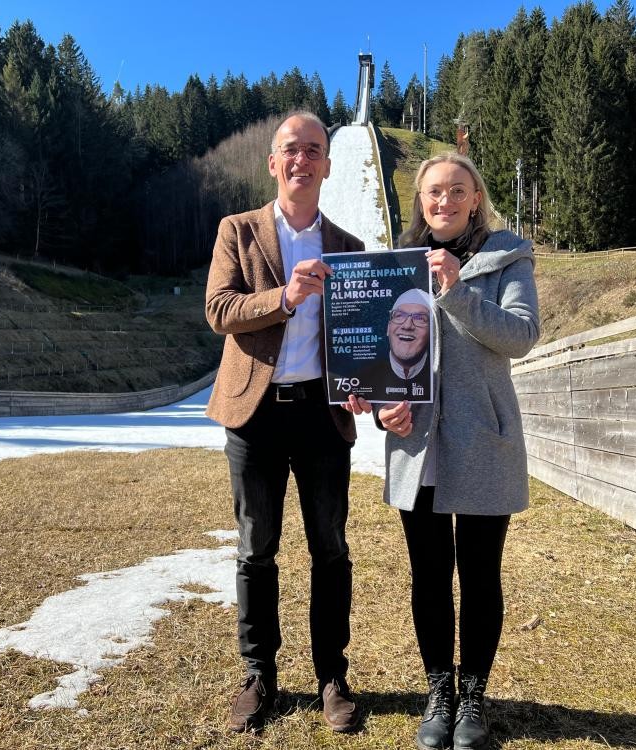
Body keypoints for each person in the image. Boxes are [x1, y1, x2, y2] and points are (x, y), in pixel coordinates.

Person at [345, 152, 540, 749]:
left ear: (475, 197)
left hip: (484, 440)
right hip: (417, 446)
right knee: (429, 576)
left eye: (457, 191)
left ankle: (473, 697)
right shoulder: (396, 267)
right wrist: (380, 407)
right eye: (433, 192)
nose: (444, 202)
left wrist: (457, 290)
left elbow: (520, 336)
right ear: (420, 201)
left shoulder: (508, 256)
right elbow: (381, 360)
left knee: (480, 576)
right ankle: (439, 691)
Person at [205, 111, 365, 734]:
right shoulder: (237, 231)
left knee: (331, 550)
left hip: (323, 416)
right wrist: (285, 297)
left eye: (314, 151)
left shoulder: (349, 249)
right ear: (273, 163)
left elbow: (362, 339)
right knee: (256, 548)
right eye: (291, 150)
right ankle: (259, 674)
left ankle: (332, 676)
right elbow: (219, 310)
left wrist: (367, 389)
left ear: (328, 165)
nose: (302, 160)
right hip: (255, 413)